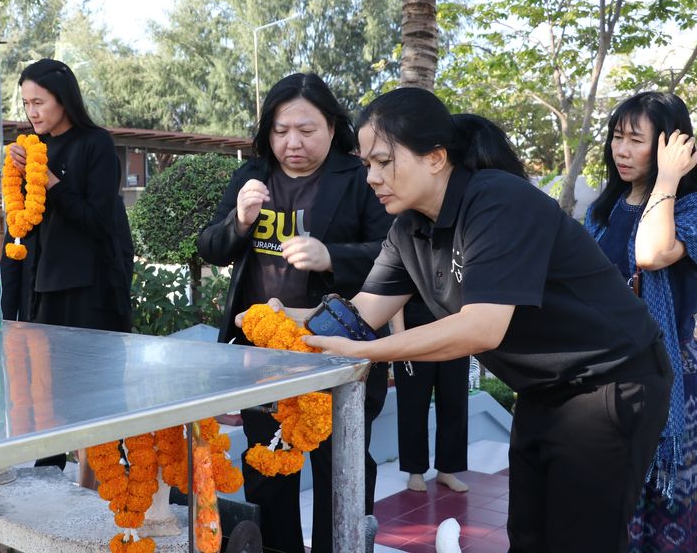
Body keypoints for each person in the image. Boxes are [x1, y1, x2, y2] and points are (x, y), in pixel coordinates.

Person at [239, 88, 674, 553]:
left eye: (384, 161)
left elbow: (481, 327)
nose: (372, 177)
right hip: (543, 389)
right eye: (366, 165)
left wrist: (366, 352)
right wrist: (284, 318)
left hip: (611, 379)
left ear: (435, 157)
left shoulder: (496, 201)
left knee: (580, 539)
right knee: (528, 536)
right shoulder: (408, 228)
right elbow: (361, 312)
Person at [197, 73, 392, 553]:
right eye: (281, 131)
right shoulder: (252, 175)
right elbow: (211, 247)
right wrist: (240, 221)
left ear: (332, 127)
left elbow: (394, 252)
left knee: (339, 466)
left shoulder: (358, 178)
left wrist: (332, 257)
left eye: (306, 130)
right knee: (268, 469)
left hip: (335, 349)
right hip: (262, 355)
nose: (292, 143)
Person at [5, 58, 134, 487]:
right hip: (42, 287)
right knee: (45, 395)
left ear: (64, 99)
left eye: (39, 102)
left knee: (92, 398)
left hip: (89, 291)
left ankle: (103, 487)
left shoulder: (95, 144)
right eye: (26, 104)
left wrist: (52, 183)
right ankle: (47, 486)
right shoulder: (33, 147)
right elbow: (22, 225)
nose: (32, 112)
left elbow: (99, 221)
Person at [584, 92, 697, 552]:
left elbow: (651, 253)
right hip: (606, 377)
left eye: (636, 140)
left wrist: (667, 178)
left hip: (669, 378)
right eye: (617, 137)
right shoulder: (602, 210)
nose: (622, 150)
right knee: (607, 504)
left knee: (664, 507)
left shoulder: (689, 209)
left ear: (670, 145)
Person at [392, 298, 469, 493]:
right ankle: (415, 470)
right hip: (415, 334)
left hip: (456, 335)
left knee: (454, 402)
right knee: (412, 405)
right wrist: (400, 338)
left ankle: (447, 470)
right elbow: (395, 296)